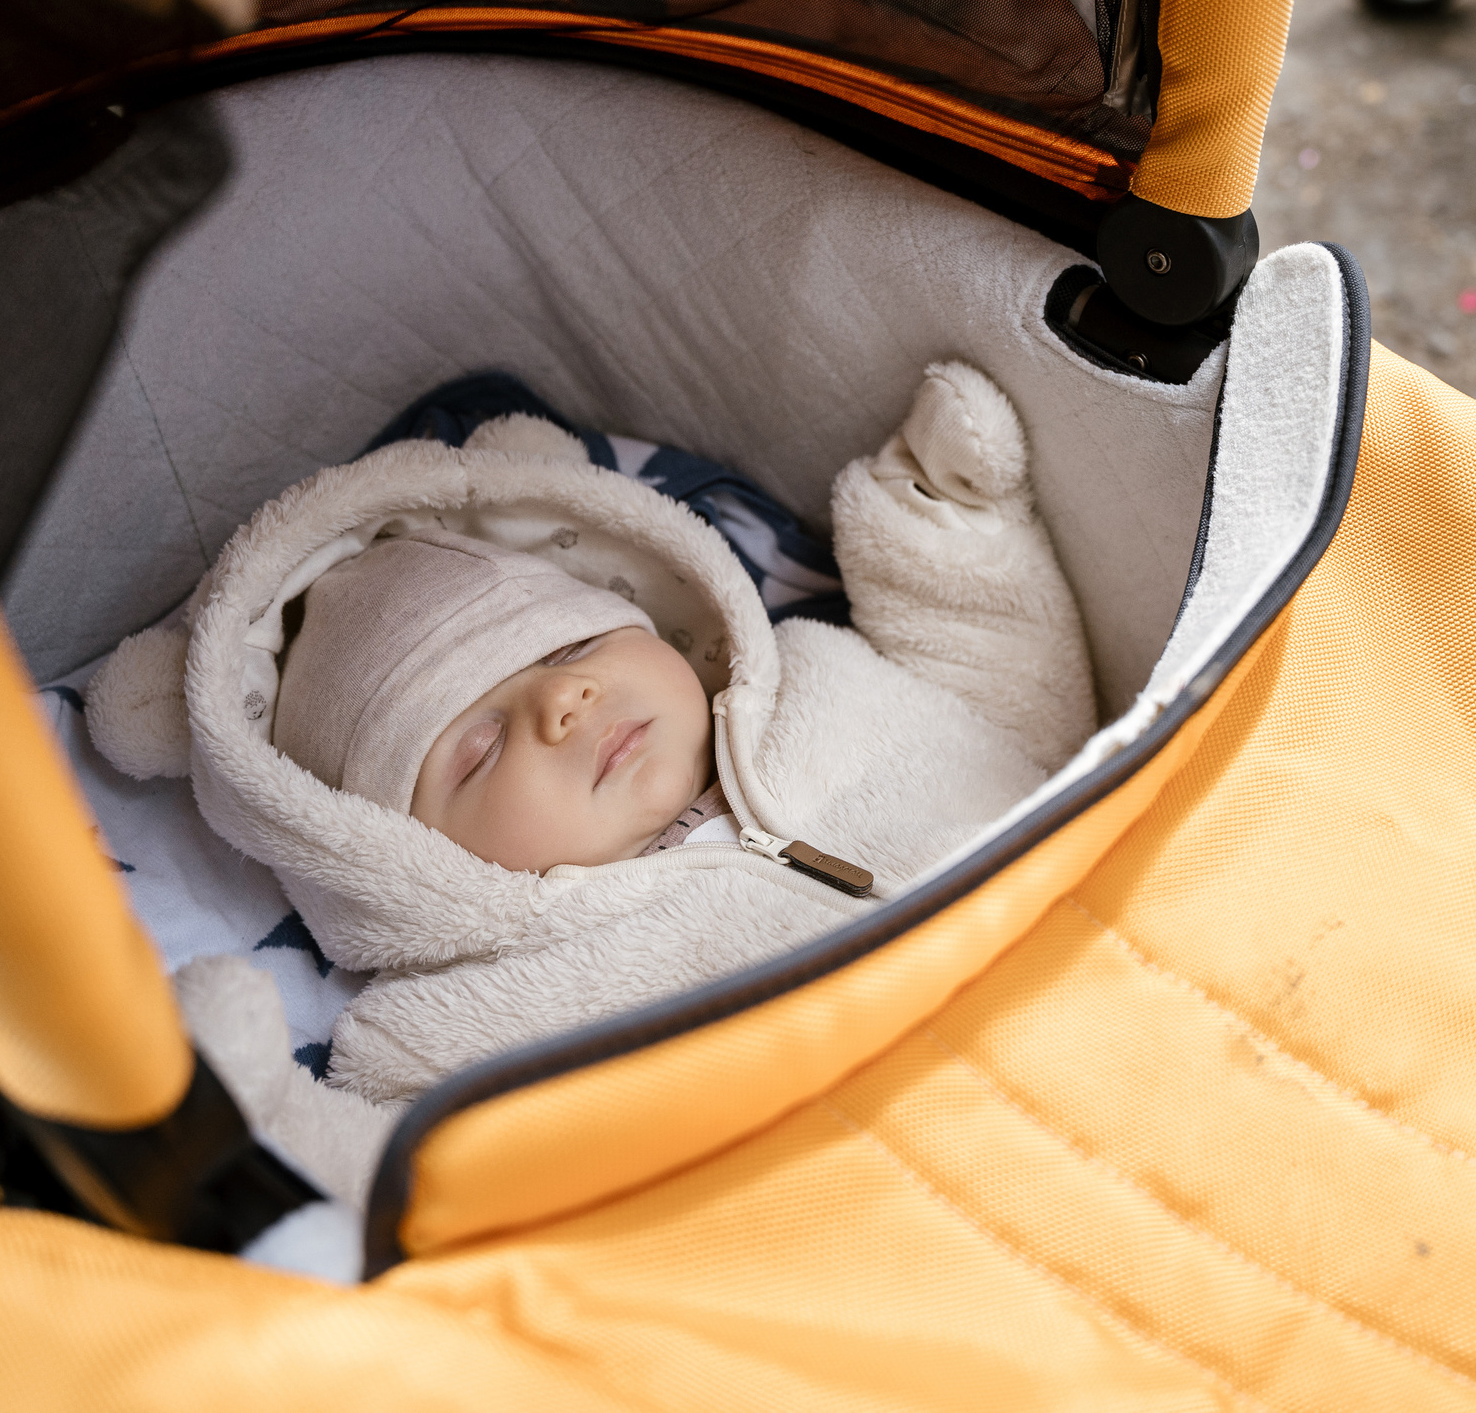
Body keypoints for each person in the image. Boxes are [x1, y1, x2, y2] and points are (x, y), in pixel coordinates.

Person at [85, 363, 1093, 1206]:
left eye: (575, 642)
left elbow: (1009, 705)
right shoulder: (447, 1023)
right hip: (856, 1205)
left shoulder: (830, 678)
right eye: (475, 747)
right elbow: (415, 1194)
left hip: (1092, 984)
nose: (563, 702)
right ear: (403, 859)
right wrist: (255, 1113)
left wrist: (942, 527)